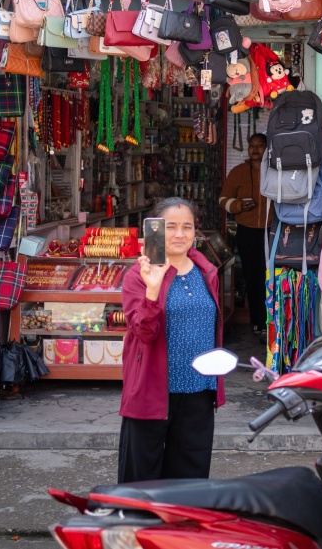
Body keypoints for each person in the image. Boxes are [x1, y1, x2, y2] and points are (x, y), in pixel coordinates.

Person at [118, 197, 225, 483]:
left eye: (187, 227)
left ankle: (180, 528)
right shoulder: (138, 276)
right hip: (152, 390)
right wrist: (153, 289)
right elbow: (143, 333)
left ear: (195, 232)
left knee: (190, 479)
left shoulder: (207, 272)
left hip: (199, 391)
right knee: (141, 478)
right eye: (171, 227)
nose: (180, 234)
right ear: (155, 230)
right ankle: (138, 530)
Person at [219, 133, 270, 334]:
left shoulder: (275, 172)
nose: (256, 149)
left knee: (268, 277)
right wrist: (239, 205)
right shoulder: (238, 172)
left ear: (267, 149)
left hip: (270, 231)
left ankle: (269, 321)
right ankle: (256, 322)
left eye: (260, 145)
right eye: (252, 145)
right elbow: (222, 199)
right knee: (252, 277)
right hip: (246, 231)